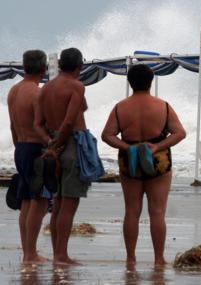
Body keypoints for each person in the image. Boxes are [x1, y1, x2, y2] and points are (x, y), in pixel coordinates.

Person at [101, 64, 186, 266]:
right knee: (157, 212)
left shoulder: (120, 107)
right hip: (158, 159)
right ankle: (159, 259)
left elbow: (107, 135)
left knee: (131, 211)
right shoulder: (163, 106)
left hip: (129, 160)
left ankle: (130, 258)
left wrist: (127, 147)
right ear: (151, 82)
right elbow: (180, 133)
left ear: (130, 82)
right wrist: (157, 147)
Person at [34, 47, 90, 265]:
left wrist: (50, 143)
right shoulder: (76, 85)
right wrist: (59, 144)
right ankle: (61, 255)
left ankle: (59, 253)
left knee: (57, 202)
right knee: (69, 202)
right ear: (79, 66)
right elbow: (70, 120)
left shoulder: (45, 89)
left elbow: (37, 124)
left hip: (52, 143)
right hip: (71, 143)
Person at [7, 50, 51, 264]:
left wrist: (18, 147)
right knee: (39, 201)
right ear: (44, 69)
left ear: (24, 67)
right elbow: (43, 124)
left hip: (21, 147)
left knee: (26, 200)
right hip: (35, 148)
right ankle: (31, 254)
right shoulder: (37, 93)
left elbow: (12, 126)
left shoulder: (13, 91)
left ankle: (28, 252)